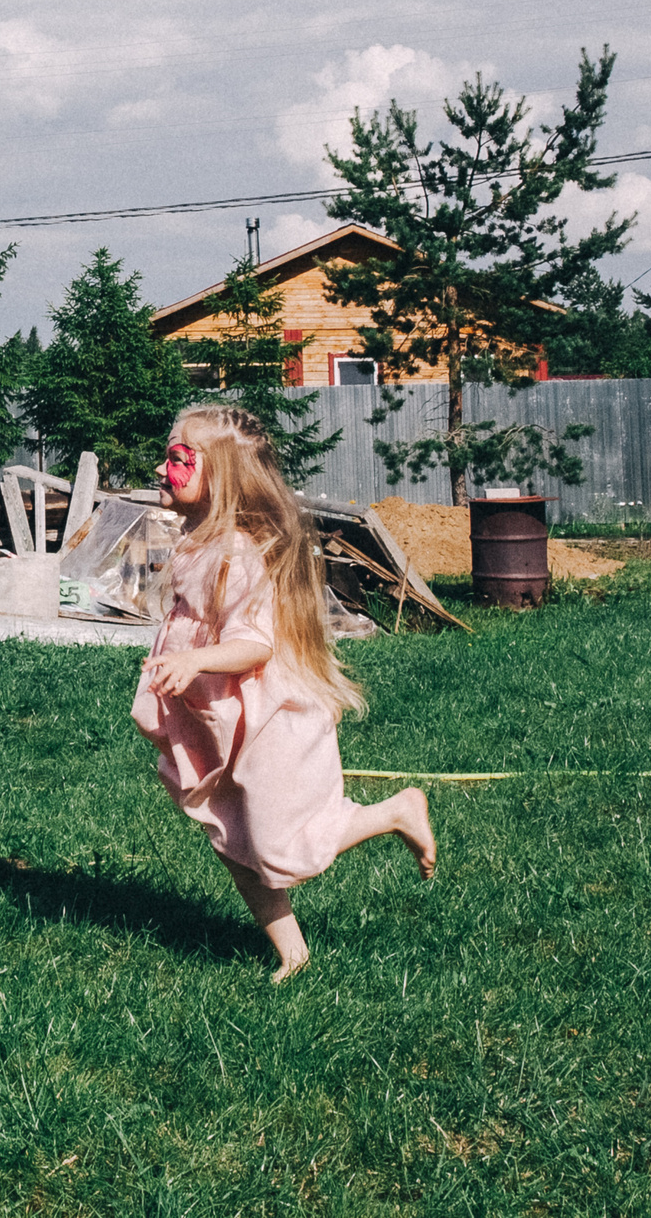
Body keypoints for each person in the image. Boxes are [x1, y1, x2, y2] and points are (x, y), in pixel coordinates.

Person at [132, 403, 437, 981]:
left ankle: (397, 811)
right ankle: (292, 954)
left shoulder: (239, 554)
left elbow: (255, 645)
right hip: (221, 719)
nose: (161, 467)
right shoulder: (198, 539)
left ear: (219, 475)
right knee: (233, 841)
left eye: (177, 458)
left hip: (270, 723)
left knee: (274, 845)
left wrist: (194, 657)